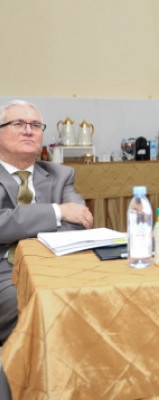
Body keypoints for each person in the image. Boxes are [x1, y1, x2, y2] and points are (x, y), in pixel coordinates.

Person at [0, 100, 93, 346]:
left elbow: (80, 221)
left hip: (57, 266)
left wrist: (19, 225)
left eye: (35, 125)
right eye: (18, 124)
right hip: (5, 270)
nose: (28, 130)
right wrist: (57, 211)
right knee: (39, 306)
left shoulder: (60, 174)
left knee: (100, 299)